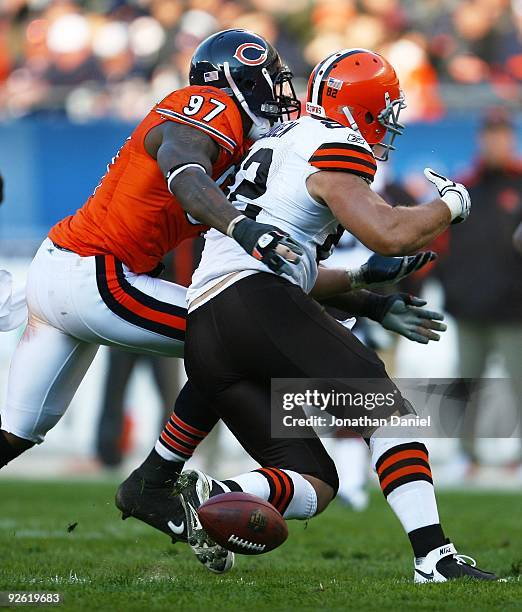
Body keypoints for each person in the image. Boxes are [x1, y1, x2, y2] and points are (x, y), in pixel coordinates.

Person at [118, 49, 497, 582]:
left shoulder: (281, 141)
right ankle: (434, 557)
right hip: (253, 302)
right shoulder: (333, 143)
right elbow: (389, 232)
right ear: (361, 110)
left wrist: (371, 296)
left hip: (207, 327)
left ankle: (218, 495)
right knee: (383, 406)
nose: (389, 126)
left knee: (314, 482)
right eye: (385, 113)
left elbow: (297, 272)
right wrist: (450, 204)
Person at [0, 29, 303, 471]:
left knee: (15, 434)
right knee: (233, 340)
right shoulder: (208, 107)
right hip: (98, 276)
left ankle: (162, 480)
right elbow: (183, 169)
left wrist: (362, 296)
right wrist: (243, 228)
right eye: (267, 80)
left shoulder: (242, 147)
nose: (277, 94)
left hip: (65, 271)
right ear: (239, 82)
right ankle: (158, 481)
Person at [436, 109, 522, 473]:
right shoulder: (463, 186)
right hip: (469, 309)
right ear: (480, 139)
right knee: (466, 386)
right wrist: (452, 289)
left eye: (501, 134)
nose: (495, 141)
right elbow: (440, 244)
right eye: (489, 135)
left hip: (514, 311)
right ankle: (465, 454)